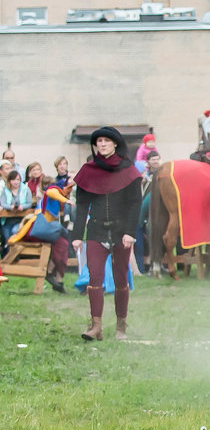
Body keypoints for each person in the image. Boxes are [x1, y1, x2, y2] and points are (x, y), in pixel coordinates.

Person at [71, 127, 143, 341]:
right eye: (98, 141)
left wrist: (130, 232)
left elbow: (134, 204)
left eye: (106, 141)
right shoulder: (88, 170)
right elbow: (82, 206)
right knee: (94, 277)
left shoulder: (128, 170)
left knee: (121, 278)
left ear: (115, 144)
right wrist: (77, 235)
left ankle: (121, 326)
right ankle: (96, 326)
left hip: (121, 232)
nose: (102, 144)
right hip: (95, 229)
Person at [1, 169, 34, 253]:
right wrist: (9, 207)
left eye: (18, 179)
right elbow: (3, 203)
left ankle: (17, 257)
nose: (16, 182)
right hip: (7, 221)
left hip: (21, 220)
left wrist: (22, 207)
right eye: (13, 180)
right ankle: (7, 259)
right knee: (7, 239)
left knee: (15, 234)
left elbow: (29, 203)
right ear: (9, 181)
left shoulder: (25, 189)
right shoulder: (5, 190)